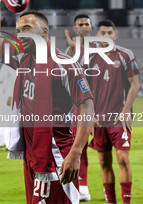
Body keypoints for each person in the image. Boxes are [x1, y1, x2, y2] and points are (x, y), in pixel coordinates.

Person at [0, 0, 94, 204]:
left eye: (28, 28)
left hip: (56, 155)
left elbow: (87, 107)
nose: (21, 34)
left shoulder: (64, 64)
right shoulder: (22, 58)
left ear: (44, 32)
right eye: (19, 29)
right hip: (33, 154)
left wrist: (76, 152)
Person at [88, 20, 140, 204]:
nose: (106, 35)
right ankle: (112, 201)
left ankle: (126, 202)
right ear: (97, 36)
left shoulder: (125, 55)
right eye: (102, 32)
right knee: (104, 161)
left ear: (115, 36)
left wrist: (126, 111)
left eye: (110, 32)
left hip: (119, 118)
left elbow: (135, 84)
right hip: (98, 120)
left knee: (123, 158)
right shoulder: (90, 58)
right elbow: (83, 88)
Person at [65, 14, 95, 201]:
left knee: (107, 153)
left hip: (98, 106)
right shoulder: (69, 51)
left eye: (87, 24)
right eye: (80, 24)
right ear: (75, 29)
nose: (84, 26)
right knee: (78, 146)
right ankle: (81, 188)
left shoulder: (100, 50)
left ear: (91, 27)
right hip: (77, 107)